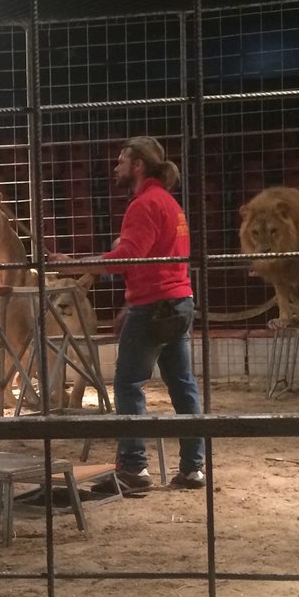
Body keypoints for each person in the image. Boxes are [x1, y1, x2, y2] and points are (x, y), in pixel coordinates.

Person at [51, 136, 206, 491]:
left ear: (138, 166)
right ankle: (193, 467)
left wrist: (76, 266)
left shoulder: (143, 205)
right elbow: (150, 260)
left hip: (153, 306)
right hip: (179, 300)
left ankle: (134, 469)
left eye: (121, 161)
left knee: (127, 384)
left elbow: (127, 258)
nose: (116, 167)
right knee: (183, 385)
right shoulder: (169, 203)